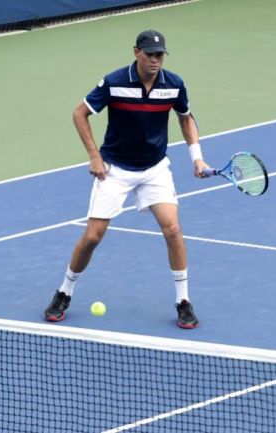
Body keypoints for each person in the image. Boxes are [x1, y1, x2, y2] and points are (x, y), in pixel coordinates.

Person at [44, 30, 209, 329]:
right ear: (136, 52)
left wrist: (196, 156)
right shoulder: (114, 82)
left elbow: (185, 117)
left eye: (159, 55)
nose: (155, 60)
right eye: (150, 54)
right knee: (93, 236)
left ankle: (183, 301)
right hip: (115, 169)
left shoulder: (174, 85)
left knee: (173, 229)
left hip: (154, 168)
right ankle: (64, 292)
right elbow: (80, 113)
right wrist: (94, 156)